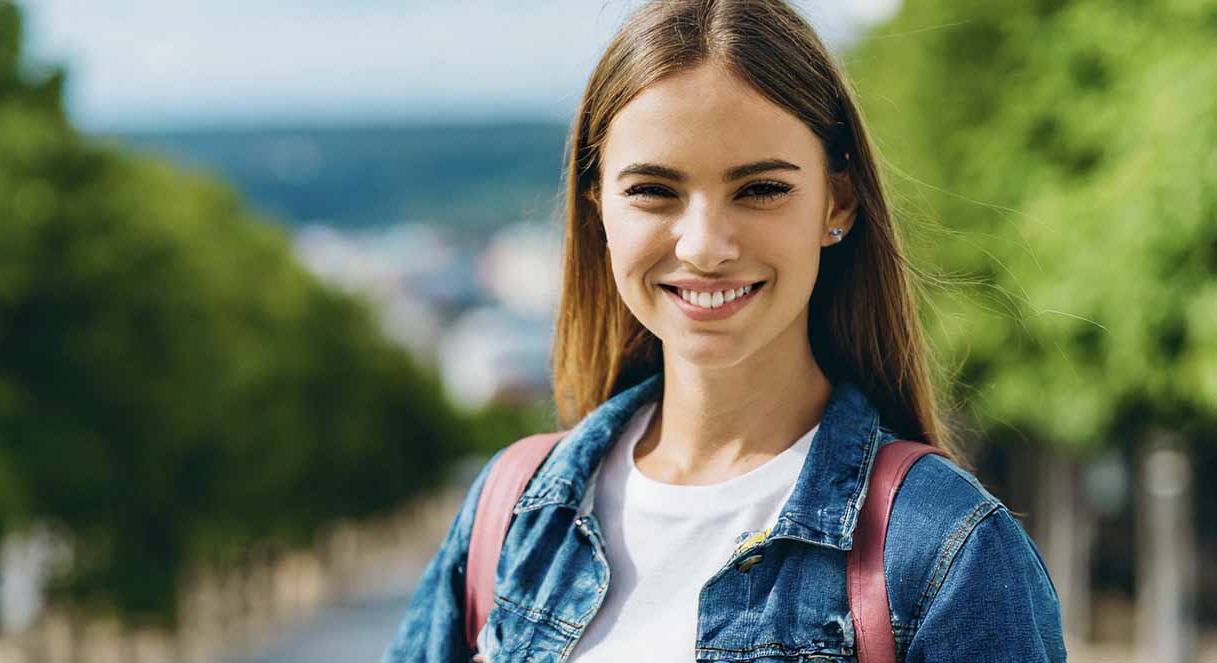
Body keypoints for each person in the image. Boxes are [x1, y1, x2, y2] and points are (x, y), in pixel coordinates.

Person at [384, 0, 1066, 661]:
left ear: (838, 201)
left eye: (760, 189)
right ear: (598, 209)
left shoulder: (945, 550)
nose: (704, 246)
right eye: (652, 190)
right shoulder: (512, 515)